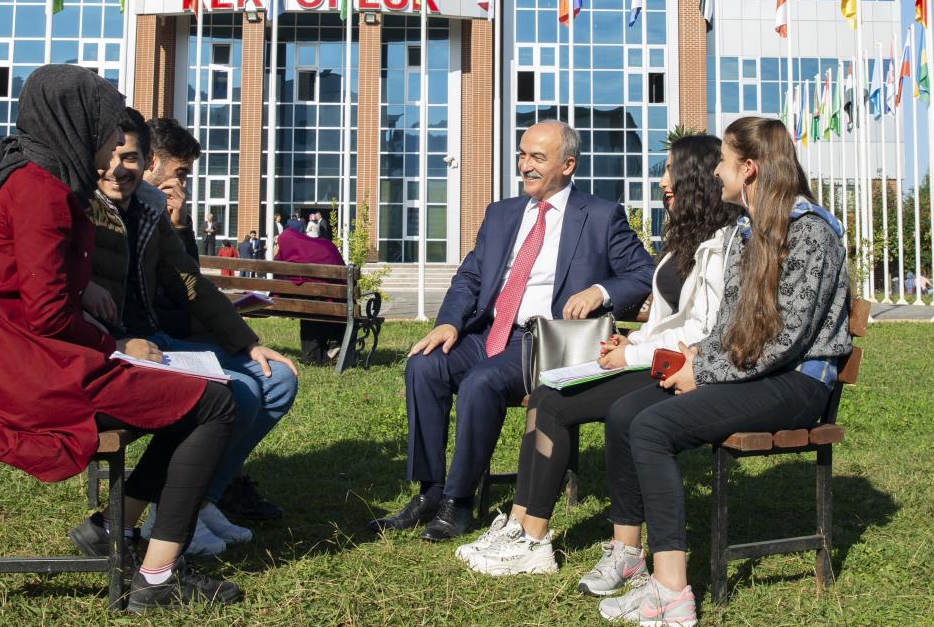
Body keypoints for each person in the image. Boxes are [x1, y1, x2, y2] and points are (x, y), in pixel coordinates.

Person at [0, 65, 241, 610]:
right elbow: (47, 314)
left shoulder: (25, 175)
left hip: (30, 367)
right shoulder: (40, 189)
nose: (111, 146)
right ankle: (157, 577)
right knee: (215, 404)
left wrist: (81, 292)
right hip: (41, 381)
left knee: (199, 398)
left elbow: (17, 277)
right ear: (74, 122)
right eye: (104, 127)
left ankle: (115, 528)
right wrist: (117, 345)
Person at [594, 116, 853, 627]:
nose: (716, 171)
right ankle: (632, 558)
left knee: (653, 427)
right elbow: (731, 325)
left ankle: (671, 593)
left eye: (725, 162)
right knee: (628, 412)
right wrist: (694, 359)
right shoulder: (745, 231)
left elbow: (786, 340)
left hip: (799, 384)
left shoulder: (811, 232)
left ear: (749, 169)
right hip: (754, 373)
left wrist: (706, 371)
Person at [458, 134, 741, 578]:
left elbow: (701, 331)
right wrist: (631, 341)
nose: (662, 181)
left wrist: (633, 352)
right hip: (653, 357)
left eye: (670, 170)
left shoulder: (724, 244)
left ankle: (533, 537)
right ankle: (522, 526)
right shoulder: (683, 239)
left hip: (681, 368)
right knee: (548, 392)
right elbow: (666, 320)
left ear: (696, 177)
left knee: (563, 402)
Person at [369, 120, 655, 542]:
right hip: (489, 332)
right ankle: (430, 491)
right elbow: (470, 276)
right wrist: (448, 322)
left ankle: (458, 501)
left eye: (537, 157)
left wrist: (599, 291)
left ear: (568, 165)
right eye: (522, 155)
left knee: (481, 383)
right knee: (424, 367)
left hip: (543, 343)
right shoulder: (502, 214)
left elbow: (644, 272)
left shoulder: (599, 216)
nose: (525, 165)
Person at [85, 110, 297, 539]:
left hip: (160, 338)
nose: (119, 169)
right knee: (238, 391)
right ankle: (170, 515)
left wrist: (247, 342)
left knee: (276, 378)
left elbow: (186, 279)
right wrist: (118, 341)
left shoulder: (149, 208)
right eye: (112, 157)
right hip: (121, 347)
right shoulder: (82, 208)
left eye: (129, 159)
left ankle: (198, 504)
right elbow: (57, 290)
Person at [273, 225, 352, 366]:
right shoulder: (326, 246)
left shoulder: (290, 256)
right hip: (335, 302)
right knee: (325, 302)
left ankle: (313, 356)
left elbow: (278, 279)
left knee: (310, 303)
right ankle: (334, 346)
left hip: (303, 303)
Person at [145, 117, 202, 258]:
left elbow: (189, 270)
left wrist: (180, 227)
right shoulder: (118, 203)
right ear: (152, 161)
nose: (183, 184)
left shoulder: (165, 211)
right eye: (180, 173)